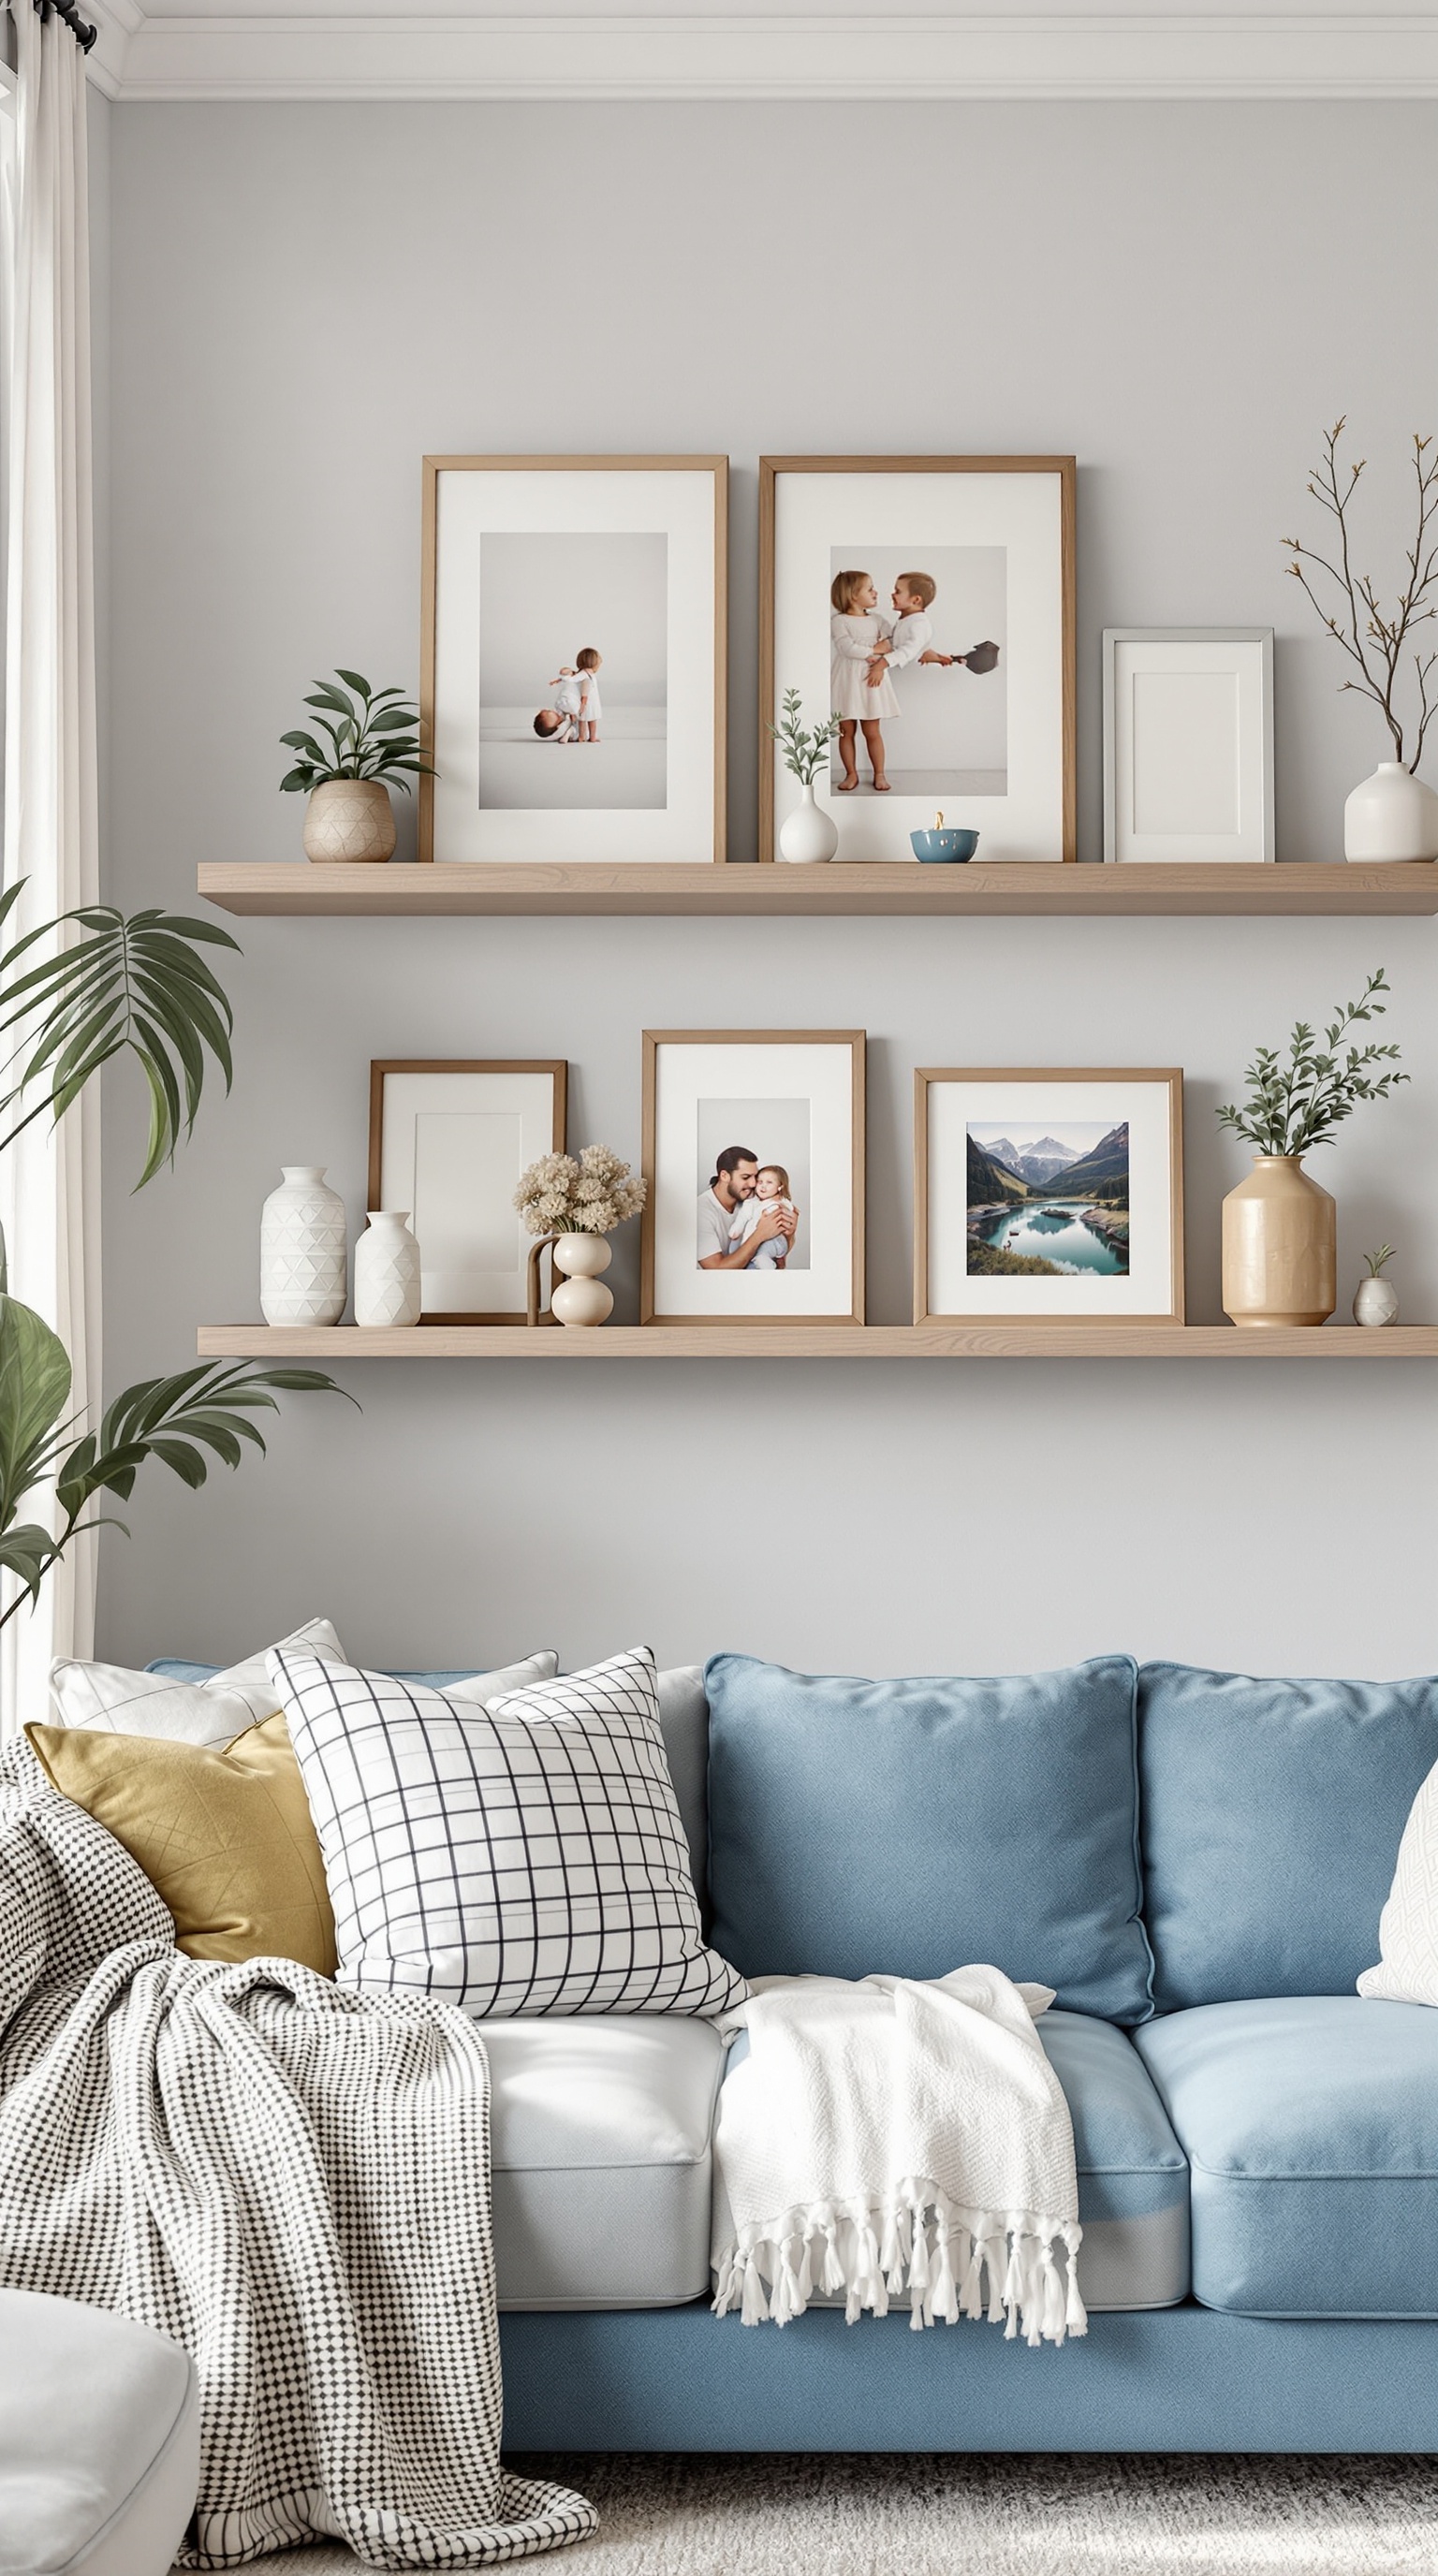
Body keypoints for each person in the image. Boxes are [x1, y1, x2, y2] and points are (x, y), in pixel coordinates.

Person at [829, 569, 897, 793]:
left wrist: (881, 650)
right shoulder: (839, 621)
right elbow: (846, 648)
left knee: (872, 731)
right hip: (847, 680)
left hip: (871, 679)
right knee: (846, 730)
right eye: (870, 589)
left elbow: (893, 641)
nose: (875, 592)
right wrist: (875, 650)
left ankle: (879, 773)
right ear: (852, 595)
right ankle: (851, 773)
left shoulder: (878, 620)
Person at [697, 1146, 798, 1270]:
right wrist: (759, 1234)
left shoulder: (755, 1199)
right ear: (724, 1176)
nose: (753, 1184)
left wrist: (789, 1234)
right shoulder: (700, 1211)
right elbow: (716, 1269)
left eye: (755, 1177)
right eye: (745, 1177)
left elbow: (779, 1259)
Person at [727, 1164, 796, 1271]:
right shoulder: (753, 1203)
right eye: (760, 1182)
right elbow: (744, 1216)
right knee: (738, 1250)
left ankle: (767, 1266)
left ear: (780, 1186)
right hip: (757, 1241)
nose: (763, 1186)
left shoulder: (779, 1202)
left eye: (769, 1182)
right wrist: (737, 1229)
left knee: (760, 1256)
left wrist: (773, 1210)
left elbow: (788, 1214)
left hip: (774, 1240)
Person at [535, 667, 582, 740]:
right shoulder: (562, 726)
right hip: (575, 729)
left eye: (549, 711)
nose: (552, 711)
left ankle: (567, 735)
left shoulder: (560, 712)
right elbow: (571, 720)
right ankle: (568, 734)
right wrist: (572, 718)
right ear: (557, 725)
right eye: (557, 717)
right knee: (574, 730)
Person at [575, 646, 603, 743]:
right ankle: (583, 736)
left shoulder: (589, 674)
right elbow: (584, 690)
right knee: (585, 719)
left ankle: (589, 736)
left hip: (592, 701)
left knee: (587, 719)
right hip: (586, 701)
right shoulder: (584, 675)